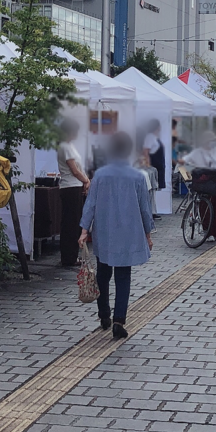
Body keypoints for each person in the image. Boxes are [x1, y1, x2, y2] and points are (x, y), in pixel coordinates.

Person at [79, 131, 154, 340]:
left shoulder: (100, 175)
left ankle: (104, 313)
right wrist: (147, 234)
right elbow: (144, 208)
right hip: (128, 234)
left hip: (104, 232)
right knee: (123, 276)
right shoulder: (138, 176)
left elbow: (90, 204)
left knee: (103, 273)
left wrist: (84, 230)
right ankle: (119, 320)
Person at [56, 118, 91, 267]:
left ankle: (72, 255)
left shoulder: (69, 146)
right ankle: (68, 257)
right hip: (70, 187)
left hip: (75, 186)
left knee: (74, 222)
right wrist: (86, 181)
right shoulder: (64, 146)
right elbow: (74, 170)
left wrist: (85, 180)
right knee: (71, 223)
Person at [181, 130, 216, 240]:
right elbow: (184, 162)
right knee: (205, 208)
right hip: (202, 183)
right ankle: (207, 232)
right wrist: (189, 174)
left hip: (215, 182)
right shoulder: (197, 152)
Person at [139, 118, 166, 192]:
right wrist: (148, 168)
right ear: (157, 127)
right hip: (154, 168)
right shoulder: (150, 137)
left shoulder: (155, 137)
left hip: (159, 168)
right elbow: (145, 152)